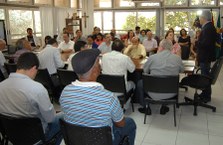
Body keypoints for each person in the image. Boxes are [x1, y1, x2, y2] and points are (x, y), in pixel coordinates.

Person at [60, 49, 136, 145]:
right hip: (103, 141)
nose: (100, 64)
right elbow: (121, 124)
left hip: (76, 140)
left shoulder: (65, 91)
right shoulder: (108, 97)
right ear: (95, 69)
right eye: (98, 62)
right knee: (130, 122)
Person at [0, 52, 63, 145]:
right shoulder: (37, 88)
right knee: (64, 116)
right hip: (37, 136)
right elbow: (50, 119)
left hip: (12, 135)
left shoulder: (1, 85)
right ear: (34, 68)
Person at [137, 39, 184, 115]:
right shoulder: (177, 58)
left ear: (161, 47)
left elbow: (145, 71)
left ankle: (146, 107)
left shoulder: (152, 57)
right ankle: (164, 106)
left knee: (140, 83)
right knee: (167, 82)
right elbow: (182, 70)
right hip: (171, 93)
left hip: (152, 92)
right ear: (171, 48)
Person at [197, 10, 217, 103]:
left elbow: (206, 44)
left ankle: (206, 96)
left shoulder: (208, 28)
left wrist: (196, 42)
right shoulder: (208, 27)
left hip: (205, 57)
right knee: (205, 75)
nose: (199, 19)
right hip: (205, 57)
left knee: (205, 77)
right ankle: (204, 93)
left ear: (203, 18)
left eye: (200, 17)